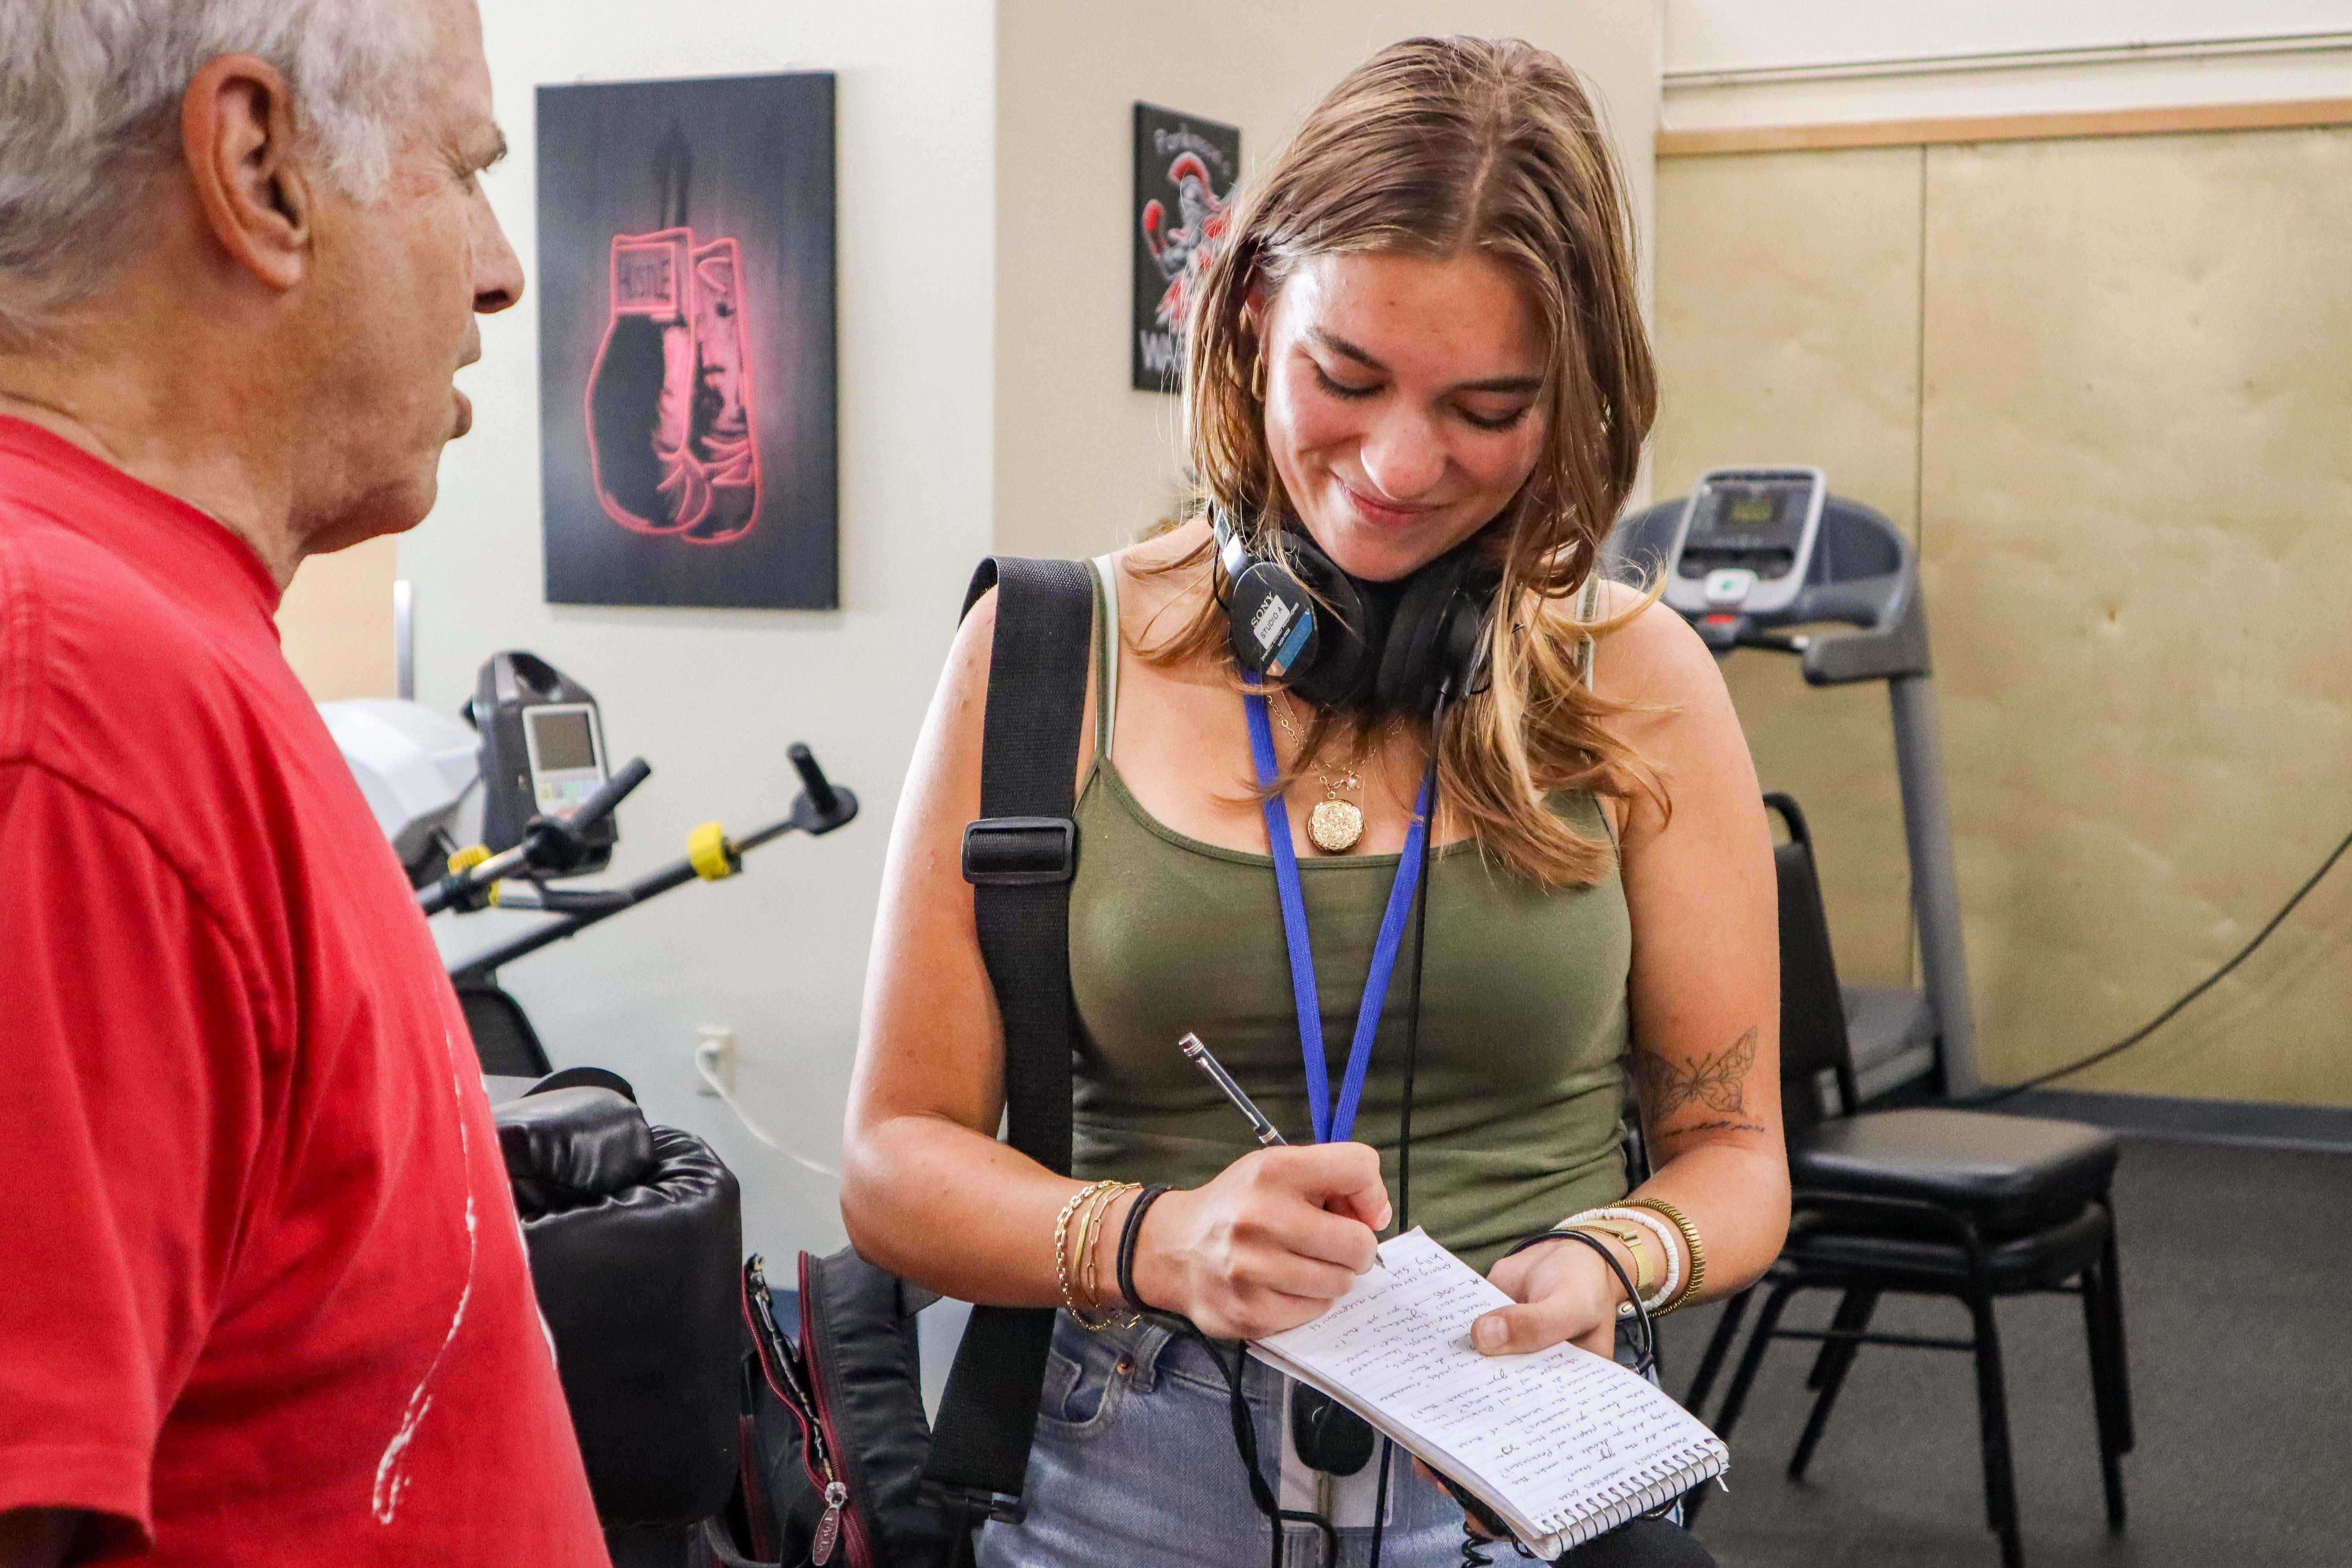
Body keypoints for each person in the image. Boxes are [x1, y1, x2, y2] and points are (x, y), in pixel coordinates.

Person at [847, 35, 1788, 1568]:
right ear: (1246, 322)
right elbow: (893, 1161)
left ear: (1578, 404)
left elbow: (1736, 1149)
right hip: (1125, 1477)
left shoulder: (1643, 678)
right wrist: (1155, 1239)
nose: (1401, 469)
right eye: (1345, 379)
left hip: (1526, 1476)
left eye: (1489, 408)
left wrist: (1619, 1250)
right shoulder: (1041, 655)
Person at [0, 2, 608, 1564]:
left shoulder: (159, 648)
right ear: (257, 170)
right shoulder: (67, 709)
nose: (500, 267)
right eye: (462, 171)